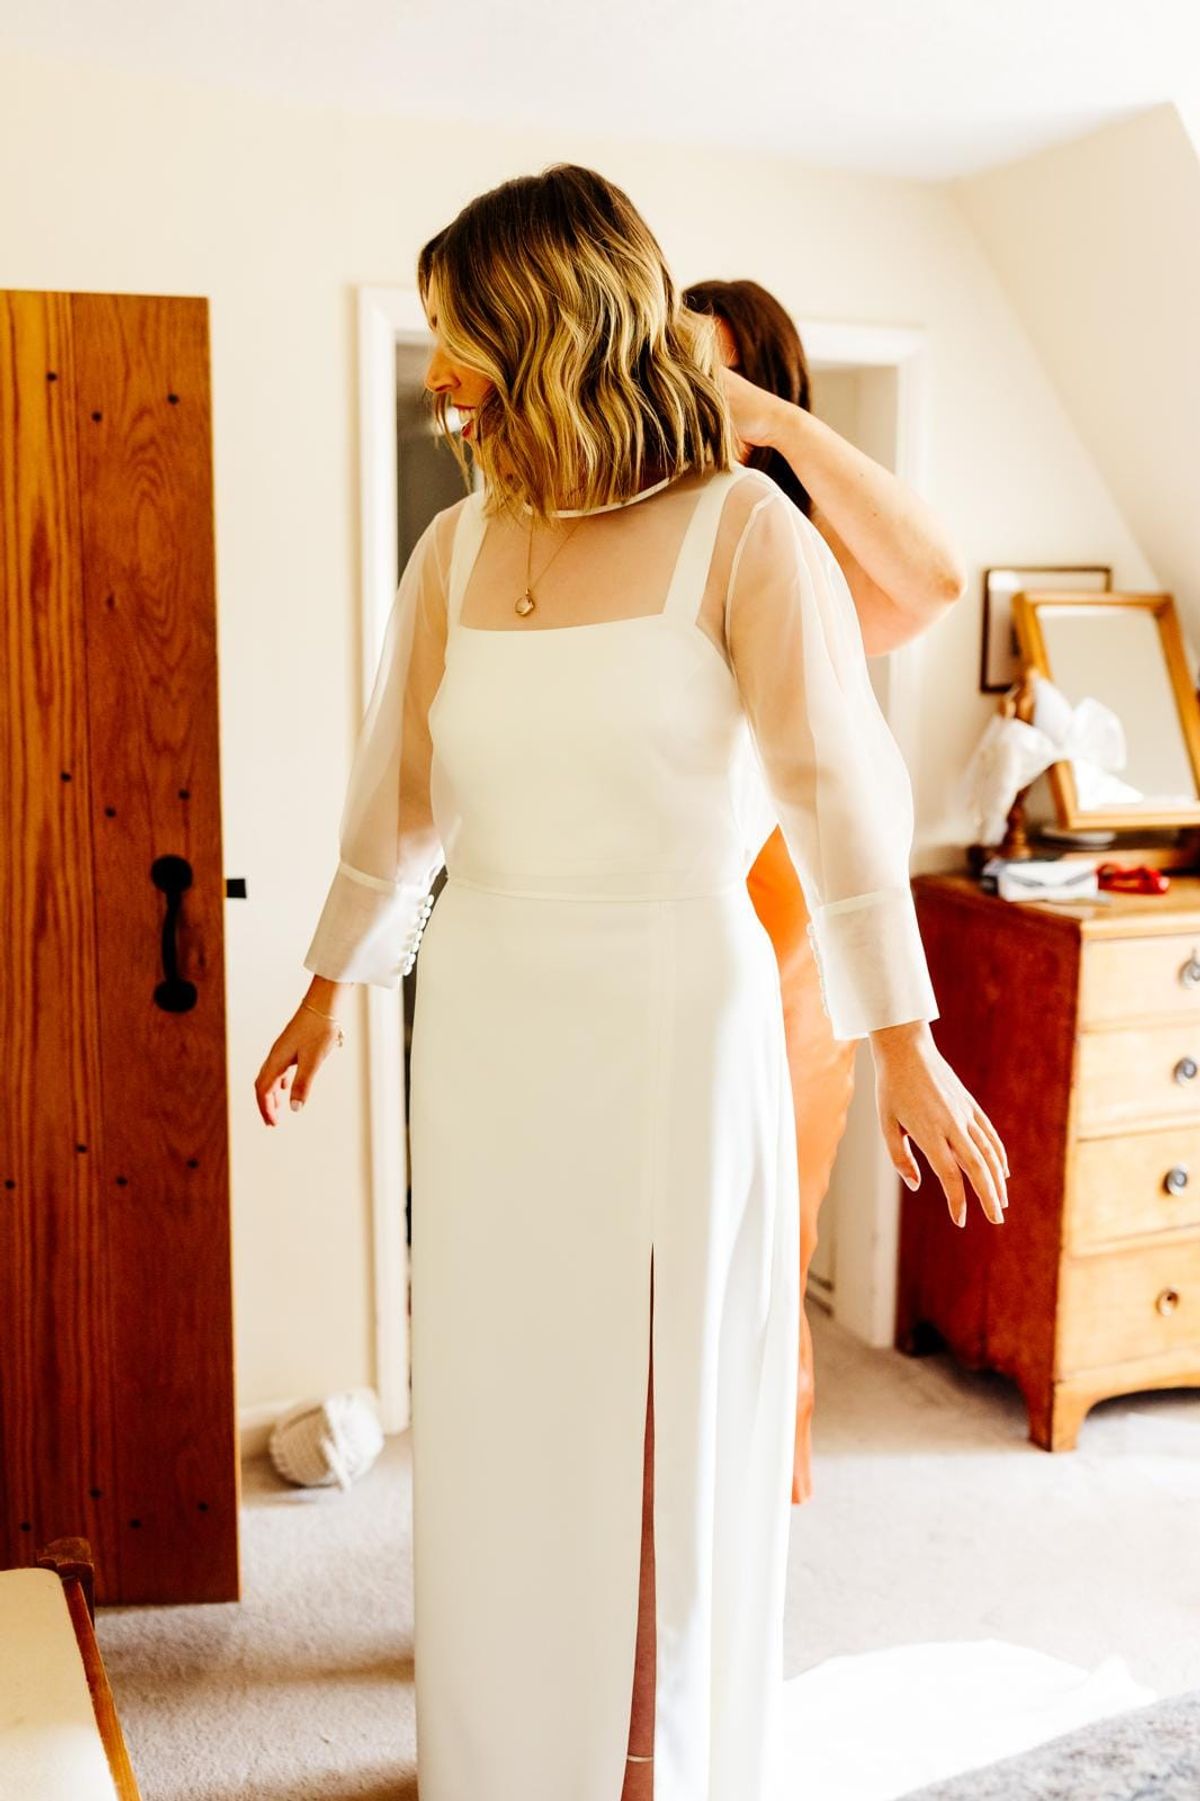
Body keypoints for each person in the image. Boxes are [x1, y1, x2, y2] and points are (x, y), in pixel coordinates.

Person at [254, 164, 1009, 1801]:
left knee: (674, 1411)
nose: (443, 373)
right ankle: (509, 1757)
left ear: (547, 332)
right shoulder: (456, 552)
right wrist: (330, 981)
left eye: (462, 339)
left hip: (683, 1009)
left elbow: (840, 808)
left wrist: (907, 1042)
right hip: (494, 1017)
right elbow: (400, 800)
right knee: (511, 1402)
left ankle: (659, 1761)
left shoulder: (745, 534)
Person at [682, 277, 974, 1507]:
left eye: (726, 380)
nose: (702, 402)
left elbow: (938, 580)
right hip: (653, 943)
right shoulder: (634, 544)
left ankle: (757, 1529)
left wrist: (781, 431)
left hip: (793, 963)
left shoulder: (798, 564)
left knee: (764, 1255)